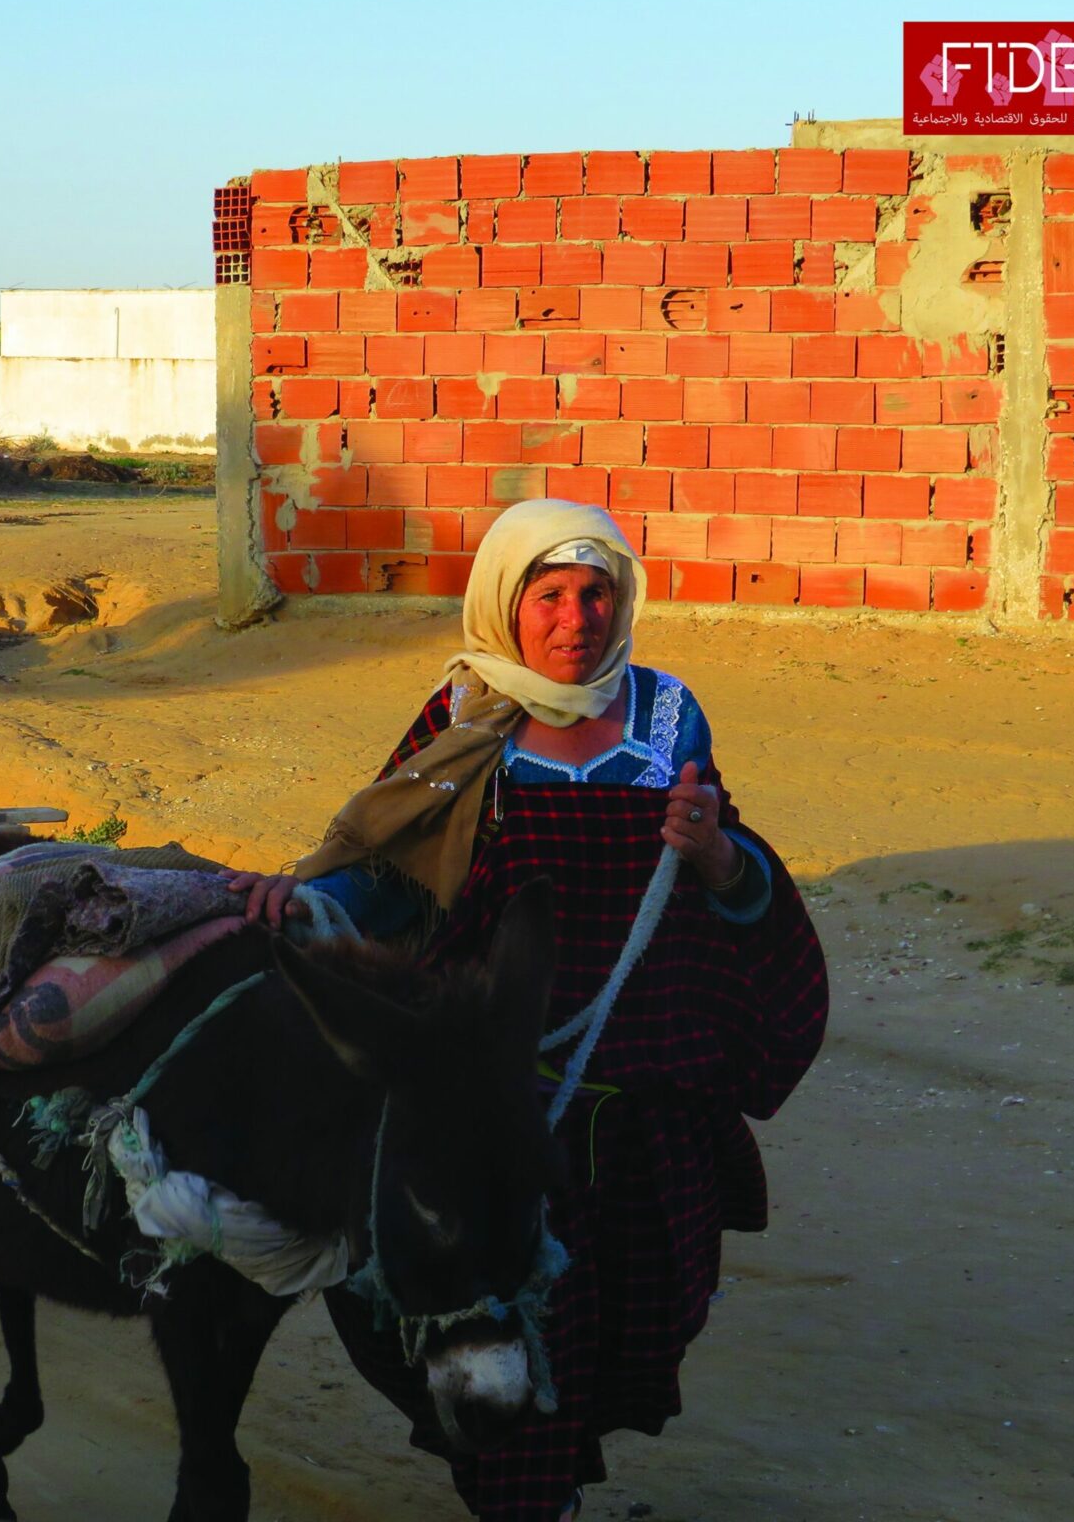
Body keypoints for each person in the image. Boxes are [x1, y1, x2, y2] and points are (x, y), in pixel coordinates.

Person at [224, 498, 828, 1521]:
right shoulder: (467, 715)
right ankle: (524, 1494)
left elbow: (734, 870)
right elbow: (395, 870)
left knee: (640, 1313)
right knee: (502, 1309)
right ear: (507, 601)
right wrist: (310, 903)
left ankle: (550, 1471)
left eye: (596, 593)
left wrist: (718, 852)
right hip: (506, 1096)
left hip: (648, 1094)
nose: (576, 617)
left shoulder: (670, 715)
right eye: (549, 595)